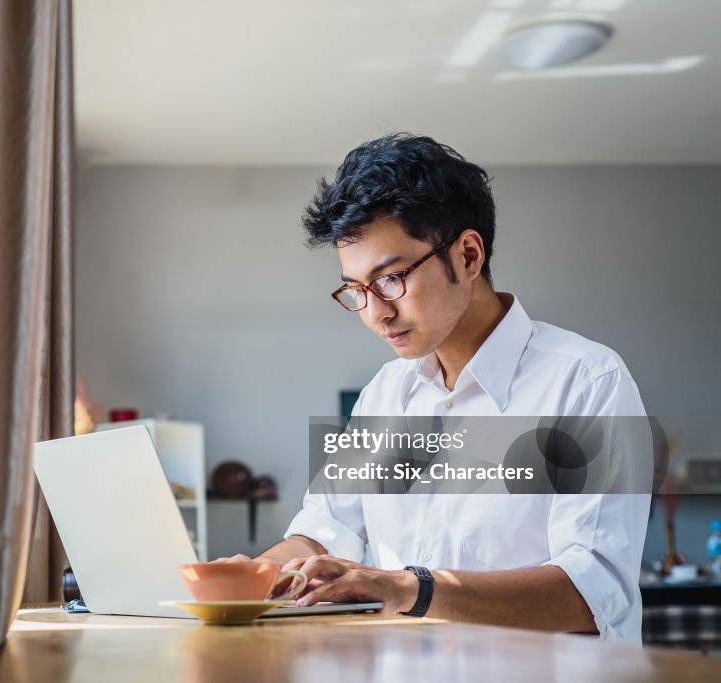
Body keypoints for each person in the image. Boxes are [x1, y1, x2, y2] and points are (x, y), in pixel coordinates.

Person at [218, 133, 650, 644]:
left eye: (391, 278)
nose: (376, 313)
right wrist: (249, 577)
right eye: (356, 290)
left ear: (468, 255)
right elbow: (321, 530)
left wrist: (411, 589)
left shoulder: (586, 381)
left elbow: (591, 593)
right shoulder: (384, 395)